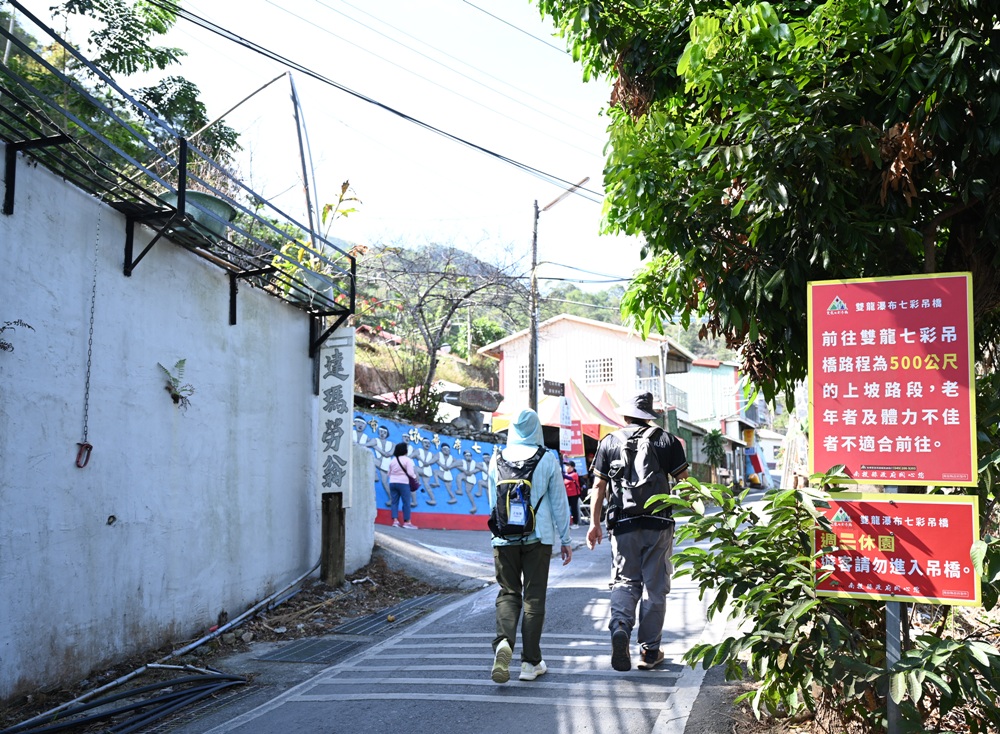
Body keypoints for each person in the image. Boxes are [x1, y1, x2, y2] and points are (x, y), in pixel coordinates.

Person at [586, 392, 689, 672]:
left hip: (623, 525)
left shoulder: (609, 442)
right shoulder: (666, 440)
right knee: (655, 587)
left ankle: (621, 627)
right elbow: (685, 483)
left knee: (624, 581)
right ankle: (649, 651)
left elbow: (598, 487)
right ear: (649, 415)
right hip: (658, 524)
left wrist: (594, 524)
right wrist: (688, 508)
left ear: (625, 415)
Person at [488, 409, 573, 684]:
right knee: (533, 598)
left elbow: (492, 502)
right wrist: (566, 540)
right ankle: (530, 662)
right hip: (538, 537)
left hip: (504, 538)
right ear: (537, 429)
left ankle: (504, 643)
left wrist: (499, 534)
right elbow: (559, 503)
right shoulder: (546, 458)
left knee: (508, 593)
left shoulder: (496, 457)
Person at [387, 442, 419, 529]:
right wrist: (415, 478)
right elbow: (410, 473)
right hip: (403, 483)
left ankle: (395, 521)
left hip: (392, 482)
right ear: (405, 450)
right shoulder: (408, 460)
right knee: (406, 502)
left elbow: (388, 473)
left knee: (394, 502)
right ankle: (407, 522)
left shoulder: (392, 460)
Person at [563, 460, 582, 528]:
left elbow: (568, 480)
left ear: (572, 467)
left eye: (568, 466)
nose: (566, 467)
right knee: (566, 509)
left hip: (574, 495)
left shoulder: (574, 474)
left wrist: (562, 475)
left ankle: (575, 523)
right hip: (567, 495)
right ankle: (568, 523)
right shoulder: (566, 474)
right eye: (566, 465)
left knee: (574, 509)